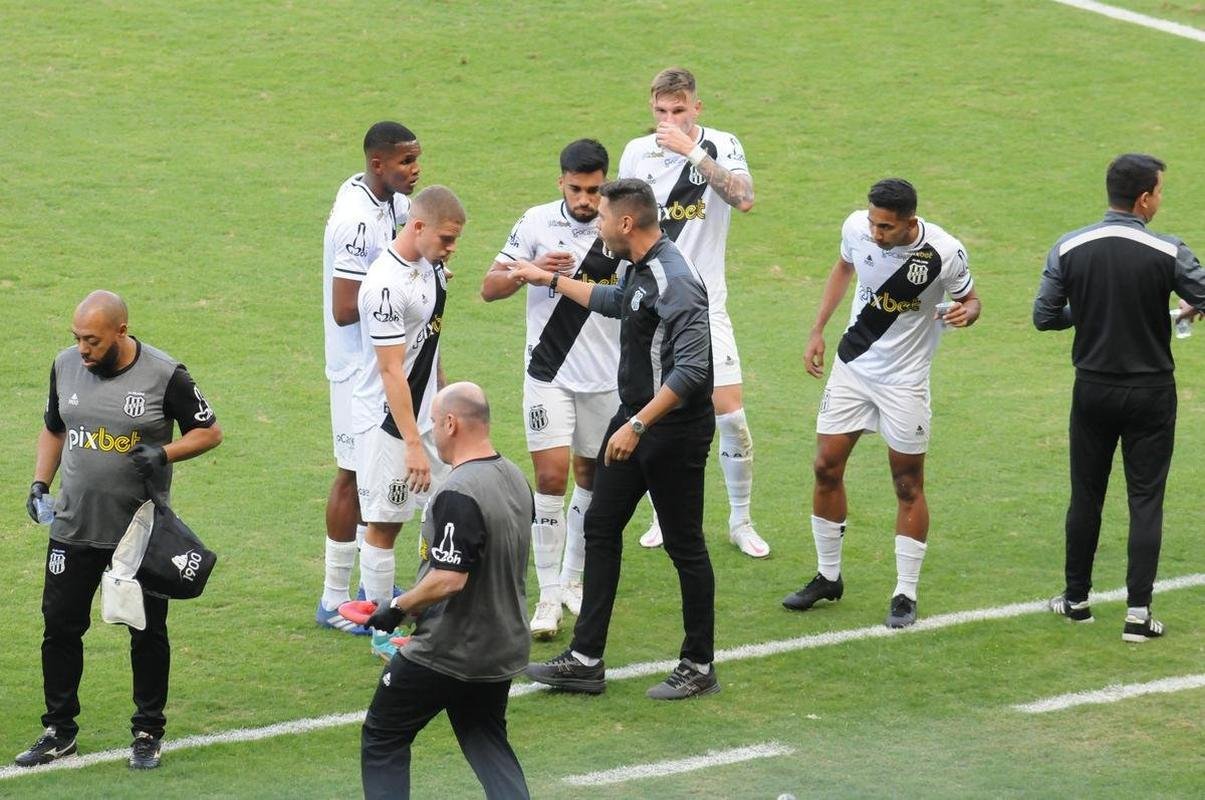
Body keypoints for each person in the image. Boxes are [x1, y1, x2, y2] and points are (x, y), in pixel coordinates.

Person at [514, 178, 721, 700]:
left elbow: (694, 370)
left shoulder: (676, 279)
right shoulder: (640, 267)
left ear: (626, 223)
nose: (597, 224)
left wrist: (638, 424)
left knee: (684, 544)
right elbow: (618, 302)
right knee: (602, 527)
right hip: (635, 418)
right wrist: (548, 280)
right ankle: (586, 660)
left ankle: (699, 665)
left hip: (670, 430)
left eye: (603, 217)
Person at [17, 290, 223, 770]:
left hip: (138, 531)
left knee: (146, 631)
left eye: (92, 340)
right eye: (77, 338)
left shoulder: (165, 374)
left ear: (121, 332)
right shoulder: (65, 365)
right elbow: (54, 426)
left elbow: (209, 431)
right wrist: (38, 482)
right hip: (72, 525)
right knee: (60, 628)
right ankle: (59, 730)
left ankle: (148, 730)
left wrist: (165, 453)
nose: (83, 349)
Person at [784, 178, 980, 628]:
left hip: (905, 383)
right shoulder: (856, 228)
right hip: (853, 368)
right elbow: (842, 268)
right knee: (825, 467)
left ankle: (905, 593)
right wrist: (817, 329)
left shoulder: (944, 253)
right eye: (873, 222)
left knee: (907, 483)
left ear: (911, 222)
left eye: (887, 228)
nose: (876, 233)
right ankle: (827, 577)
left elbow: (972, 301)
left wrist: (964, 313)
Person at [1034, 153, 1205, 642]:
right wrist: (1186, 306)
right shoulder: (1168, 251)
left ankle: (1077, 601)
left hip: (1092, 389)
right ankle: (1137, 615)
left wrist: (1086, 310)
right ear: (1144, 197)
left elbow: (1045, 316)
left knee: (1086, 494)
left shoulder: (1069, 247)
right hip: (1151, 391)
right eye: (1160, 193)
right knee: (1145, 499)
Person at [617, 67, 767, 558]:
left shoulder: (720, 145)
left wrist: (693, 153)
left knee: (731, 414)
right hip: (652, 307)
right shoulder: (637, 153)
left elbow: (744, 199)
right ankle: (662, 513)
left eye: (678, 111)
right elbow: (622, 226)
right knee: (657, 411)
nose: (670, 120)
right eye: (661, 112)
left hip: (705, 308)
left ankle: (741, 520)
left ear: (696, 108)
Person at [360, 382, 533, 800]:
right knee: (485, 738)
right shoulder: (514, 477)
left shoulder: (458, 491)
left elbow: (450, 577)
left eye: (435, 423)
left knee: (383, 735)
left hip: (449, 649)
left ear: (451, 423)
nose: (433, 433)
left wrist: (396, 606)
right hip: (501, 647)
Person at [480, 139, 623, 639]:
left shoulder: (621, 223)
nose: (586, 200)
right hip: (547, 371)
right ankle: (545, 597)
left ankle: (572, 578)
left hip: (605, 375)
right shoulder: (536, 222)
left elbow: (633, 295)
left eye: (595, 189)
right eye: (577, 189)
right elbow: (488, 286)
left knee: (591, 475)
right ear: (560, 181)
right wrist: (529, 275)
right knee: (551, 476)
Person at [319, 121, 422, 635]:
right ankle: (334, 598)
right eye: (406, 161)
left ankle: (364, 590)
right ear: (378, 164)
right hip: (355, 368)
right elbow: (343, 308)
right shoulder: (358, 220)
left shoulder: (389, 203)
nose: (416, 169)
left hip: (380, 365)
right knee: (353, 476)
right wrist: (397, 287)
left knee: (374, 476)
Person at [356, 185, 464, 661]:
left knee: (444, 513)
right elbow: (391, 370)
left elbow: (430, 340)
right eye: (446, 238)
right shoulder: (385, 285)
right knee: (385, 524)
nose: (451, 247)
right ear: (417, 226)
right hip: (388, 424)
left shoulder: (432, 266)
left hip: (427, 417)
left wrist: (441, 402)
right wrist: (412, 444)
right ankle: (381, 633)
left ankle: (428, 615)